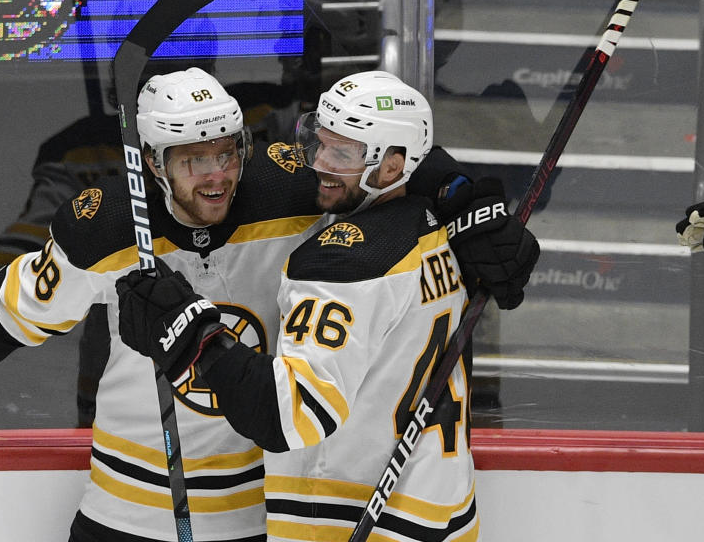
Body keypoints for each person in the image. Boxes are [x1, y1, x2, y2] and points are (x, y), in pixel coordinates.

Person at [0, 67, 537, 542]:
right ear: (153, 163)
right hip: (127, 513)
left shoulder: (295, 190)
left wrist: (463, 200)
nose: (216, 174)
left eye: (226, 152)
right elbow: (12, 311)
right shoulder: (109, 228)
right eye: (191, 160)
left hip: (255, 518)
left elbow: (381, 156)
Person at [116, 72, 484, 541]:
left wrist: (193, 335)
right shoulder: (435, 229)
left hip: (352, 522)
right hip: (446, 512)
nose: (320, 163)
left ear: (391, 167)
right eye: (319, 142)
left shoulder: (340, 264)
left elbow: (288, 417)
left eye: (343, 154)